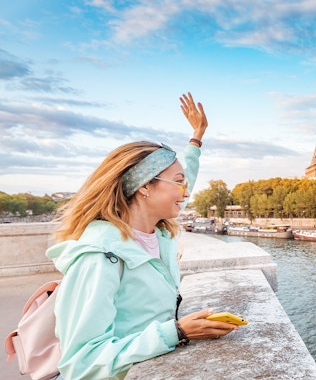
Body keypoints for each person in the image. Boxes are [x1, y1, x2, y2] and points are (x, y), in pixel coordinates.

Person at [46, 93, 239, 380]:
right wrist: (177, 331)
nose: (186, 193)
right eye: (178, 183)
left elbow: (182, 184)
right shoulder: (100, 257)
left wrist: (196, 139)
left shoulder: (156, 233)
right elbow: (80, 362)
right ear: (144, 188)